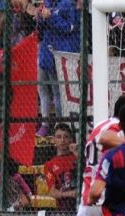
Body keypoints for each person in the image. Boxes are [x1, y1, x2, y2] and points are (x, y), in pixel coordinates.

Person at [34, 0, 78, 137]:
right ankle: (45, 124)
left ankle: (60, 125)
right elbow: (40, 30)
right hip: (45, 53)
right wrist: (40, 17)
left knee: (57, 92)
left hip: (60, 53)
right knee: (42, 89)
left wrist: (51, 17)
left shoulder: (68, 4)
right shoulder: (47, 3)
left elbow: (70, 27)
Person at [42, 123, 77, 213]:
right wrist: (71, 194)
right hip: (64, 209)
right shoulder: (49, 165)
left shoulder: (78, 157)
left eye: (66, 137)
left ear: (71, 139)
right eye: (59, 137)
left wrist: (77, 154)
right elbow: (52, 192)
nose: (62, 140)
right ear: (53, 140)